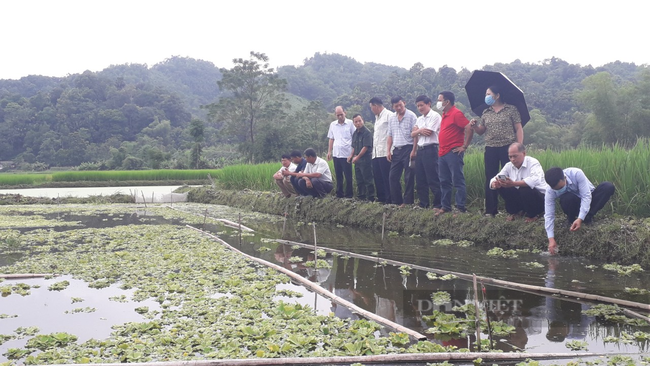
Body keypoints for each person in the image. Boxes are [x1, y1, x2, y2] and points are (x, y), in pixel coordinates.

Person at [469, 84, 524, 217]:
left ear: (497, 95)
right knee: (491, 177)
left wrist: (519, 146)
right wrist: (475, 126)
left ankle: (513, 209)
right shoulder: (486, 112)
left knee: (507, 177)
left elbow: (518, 128)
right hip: (491, 148)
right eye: (486, 94)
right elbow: (482, 131)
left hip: (507, 147)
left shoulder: (511, 109)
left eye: (489, 94)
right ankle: (490, 210)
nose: (486, 97)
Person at [544, 167, 615, 255]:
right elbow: (549, 215)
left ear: (564, 178)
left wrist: (580, 218)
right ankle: (571, 219)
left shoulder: (576, 174)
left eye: (561, 187)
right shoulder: (550, 191)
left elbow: (586, 196)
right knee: (566, 198)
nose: (559, 190)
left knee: (607, 187)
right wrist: (551, 239)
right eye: (557, 189)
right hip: (572, 204)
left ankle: (588, 217)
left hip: (589, 202)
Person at [436, 91, 473, 216]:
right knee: (444, 180)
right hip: (442, 152)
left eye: (440, 100)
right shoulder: (444, 114)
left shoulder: (456, 113)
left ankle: (460, 207)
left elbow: (468, 127)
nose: (438, 102)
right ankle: (445, 206)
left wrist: (464, 146)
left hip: (453, 151)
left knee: (457, 179)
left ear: (447, 102)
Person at [489, 143, 548, 222]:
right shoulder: (508, 166)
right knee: (502, 185)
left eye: (515, 156)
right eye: (510, 157)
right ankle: (515, 212)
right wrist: (495, 183)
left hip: (539, 199)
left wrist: (514, 183)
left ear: (523, 153)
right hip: (522, 198)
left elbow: (534, 180)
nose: (512, 159)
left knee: (524, 188)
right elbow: (498, 177)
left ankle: (533, 215)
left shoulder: (533, 163)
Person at [411, 95, 442, 209]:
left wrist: (417, 131)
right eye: (418, 106)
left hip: (431, 149)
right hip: (420, 150)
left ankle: (438, 204)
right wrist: (419, 131)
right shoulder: (419, 119)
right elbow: (412, 134)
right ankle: (423, 204)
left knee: (433, 178)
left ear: (428, 103)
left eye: (421, 105)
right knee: (420, 178)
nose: (420, 108)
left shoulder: (435, 116)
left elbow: (428, 132)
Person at [386, 96, 418, 206]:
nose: (399, 108)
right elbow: (390, 135)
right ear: (393, 107)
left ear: (404, 103)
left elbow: (415, 135)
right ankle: (396, 201)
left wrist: (414, 150)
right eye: (396, 106)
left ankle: (408, 202)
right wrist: (388, 151)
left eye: (400, 105)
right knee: (393, 176)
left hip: (408, 148)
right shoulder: (391, 118)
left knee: (408, 176)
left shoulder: (411, 116)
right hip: (396, 150)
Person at [327, 106, 355, 198]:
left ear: (345, 113)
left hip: (347, 154)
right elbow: (331, 138)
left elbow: (354, 137)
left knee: (348, 176)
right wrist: (329, 152)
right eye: (338, 115)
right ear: (335, 115)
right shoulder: (333, 125)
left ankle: (349, 195)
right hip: (336, 153)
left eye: (341, 114)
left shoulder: (351, 123)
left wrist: (353, 153)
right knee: (339, 175)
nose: (340, 117)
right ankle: (339, 194)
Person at [370, 97, 393, 204]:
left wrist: (390, 150)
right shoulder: (377, 118)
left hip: (385, 152)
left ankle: (390, 199)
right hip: (376, 153)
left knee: (386, 177)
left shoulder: (389, 115)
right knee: (377, 177)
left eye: (371, 107)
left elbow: (391, 134)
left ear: (376, 106)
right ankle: (381, 199)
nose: (371, 110)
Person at [348, 114, 375, 201]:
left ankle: (371, 197)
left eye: (359, 121)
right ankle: (361, 197)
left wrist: (357, 157)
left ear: (363, 120)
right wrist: (351, 156)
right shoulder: (355, 133)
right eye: (356, 122)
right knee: (359, 179)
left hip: (365, 159)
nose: (358, 123)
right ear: (354, 123)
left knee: (367, 179)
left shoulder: (367, 133)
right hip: (357, 160)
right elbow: (354, 147)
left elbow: (365, 147)